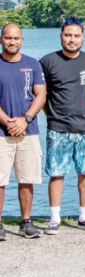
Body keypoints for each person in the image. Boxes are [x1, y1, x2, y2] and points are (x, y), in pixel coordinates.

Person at [40, 16, 85, 235]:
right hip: (57, 128)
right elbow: (41, 95)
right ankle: (54, 218)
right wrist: (55, 114)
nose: (72, 39)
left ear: (82, 37)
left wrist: (80, 107)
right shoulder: (48, 61)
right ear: (61, 36)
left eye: (76, 36)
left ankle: (84, 216)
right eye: (68, 35)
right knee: (56, 173)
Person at [0, 24, 46, 240]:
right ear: (1, 40)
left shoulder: (32, 64)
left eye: (16, 38)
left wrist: (25, 120)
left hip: (28, 131)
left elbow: (41, 95)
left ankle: (25, 222)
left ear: (22, 40)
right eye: (8, 38)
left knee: (26, 179)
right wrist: (9, 122)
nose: (12, 42)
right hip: (2, 133)